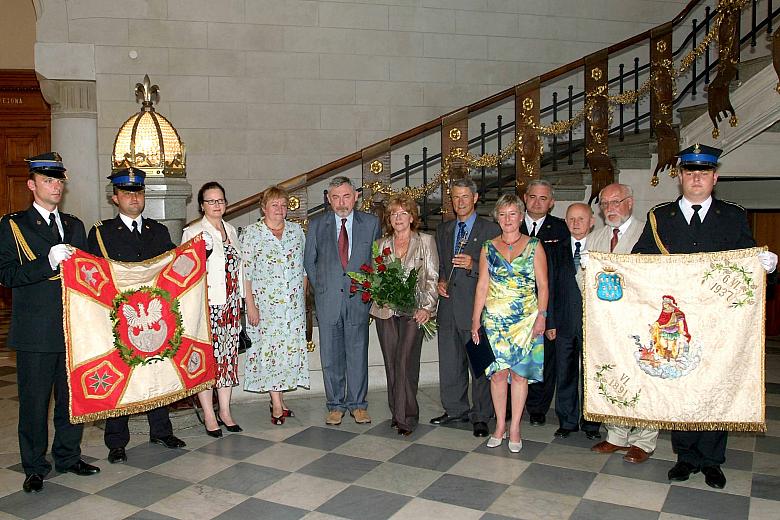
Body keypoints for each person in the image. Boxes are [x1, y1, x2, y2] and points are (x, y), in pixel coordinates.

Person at [632, 144, 777, 488]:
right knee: (681, 383)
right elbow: (639, 261)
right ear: (679, 177)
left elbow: (748, 261)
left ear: (715, 177)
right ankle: (685, 456)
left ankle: (712, 460)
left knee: (714, 386)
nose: (696, 178)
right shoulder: (659, 216)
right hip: (678, 324)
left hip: (718, 322)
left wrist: (767, 267)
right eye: (689, 172)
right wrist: (605, 269)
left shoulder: (733, 215)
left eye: (703, 173)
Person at [0, 152, 100, 493]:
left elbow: (90, 276)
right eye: (47, 180)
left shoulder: (75, 225)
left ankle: (68, 455)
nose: (55, 187)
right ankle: (34, 465)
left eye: (58, 180)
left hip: (73, 329)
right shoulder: (13, 225)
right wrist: (47, 261)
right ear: (31, 185)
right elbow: (7, 274)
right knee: (34, 402)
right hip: (35, 331)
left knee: (72, 400)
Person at [87, 167, 187, 464]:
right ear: (114, 198)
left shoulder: (158, 231)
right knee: (124, 377)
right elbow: (95, 276)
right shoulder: (101, 233)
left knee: (157, 370)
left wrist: (200, 254)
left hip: (154, 318)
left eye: (139, 192)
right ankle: (117, 441)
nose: (134, 198)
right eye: (127, 193)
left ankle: (161, 430)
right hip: (120, 318)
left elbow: (172, 267)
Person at [471, 194, 548, 453]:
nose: (508, 219)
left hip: (526, 320)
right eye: (503, 214)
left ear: (521, 215)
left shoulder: (535, 245)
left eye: (513, 214)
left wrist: (542, 316)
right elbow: (482, 285)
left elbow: (544, 285)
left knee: (519, 376)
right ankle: (500, 426)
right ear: (497, 217)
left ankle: (515, 427)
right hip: (494, 320)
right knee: (497, 375)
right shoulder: (487, 247)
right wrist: (475, 321)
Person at [587, 182, 656, 464]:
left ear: (630, 202)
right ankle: (616, 434)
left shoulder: (649, 234)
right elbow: (586, 277)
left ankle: (644, 440)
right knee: (612, 376)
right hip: (606, 323)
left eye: (615, 202)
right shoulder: (596, 238)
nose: (609, 209)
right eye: (604, 204)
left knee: (644, 379)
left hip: (640, 321)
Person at [304, 177, 381, 426]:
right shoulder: (317, 225)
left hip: (358, 300)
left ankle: (358, 405)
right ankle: (335, 404)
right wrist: (323, 289)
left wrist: (368, 292)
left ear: (356, 196)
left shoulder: (371, 223)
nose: (341, 202)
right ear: (328, 198)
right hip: (328, 303)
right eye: (335, 197)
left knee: (358, 354)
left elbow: (376, 261)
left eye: (346, 196)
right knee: (331, 356)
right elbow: (309, 261)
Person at [431, 178, 500, 437]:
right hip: (448, 306)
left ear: (475, 198)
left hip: (476, 308)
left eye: (464, 197)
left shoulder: (490, 230)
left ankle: (481, 414)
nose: (459, 202)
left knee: (480, 365)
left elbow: (498, 270)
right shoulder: (444, 229)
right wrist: (440, 280)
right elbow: (440, 263)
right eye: (455, 197)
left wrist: (473, 265)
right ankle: (455, 409)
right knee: (450, 362)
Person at [371, 194, 438, 436]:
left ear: (412, 217)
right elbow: (376, 279)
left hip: (414, 312)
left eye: (403, 213)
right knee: (391, 364)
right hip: (386, 311)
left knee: (405, 362)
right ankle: (397, 411)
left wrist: (427, 308)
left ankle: (406, 415)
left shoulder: (426, 241)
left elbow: (431, 278)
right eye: (393, 214)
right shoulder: (381, 244)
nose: (398, 218)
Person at [242, 185, 309, 424]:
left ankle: (278, 398)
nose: (280, 209)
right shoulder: (252, 233)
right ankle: (277, 404)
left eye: (283, 205)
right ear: (264, 207)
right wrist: (250, 306)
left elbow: (303, 269)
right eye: (274, 205)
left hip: (292, 308)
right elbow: (245, 275)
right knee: (269, 353)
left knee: (286, 354)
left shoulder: (296, 231)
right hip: (265, 307)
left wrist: (301, 297)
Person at [181, 181, 243, 437]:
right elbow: (184, 271)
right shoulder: (193, 231)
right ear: (201, 205)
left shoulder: (231, 230)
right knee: (208, 361)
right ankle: (209, 414)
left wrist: (241, 302)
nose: (217, 205)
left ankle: (225, 411)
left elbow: (239, 268)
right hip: (208, 307)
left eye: (221, 200)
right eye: (211, 201)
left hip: (230, 305)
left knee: (227, 360)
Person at [520, 179, 575, 430]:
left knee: (544, 360)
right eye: (533, 197)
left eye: (543, 198)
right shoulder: (512, 224)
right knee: (516, 358)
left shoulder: (561, 230)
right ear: (524, 198)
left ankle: (538, 408)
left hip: (547, 305)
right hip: (516, 306)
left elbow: (560, 276)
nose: (537, 202)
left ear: (552, 203)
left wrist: (550, 315)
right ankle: (513, 407)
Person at [552, 202, 600, 440]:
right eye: (571, 219)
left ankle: (591, 423)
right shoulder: (556, 249)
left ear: (592, 221)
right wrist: (550, 322)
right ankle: (568, 421)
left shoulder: (602, 248)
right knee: (565, 373)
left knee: (592, 375)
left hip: (595, 326)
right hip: (563, 323)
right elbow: (548, 288)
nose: (576, 223)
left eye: (581, 219)